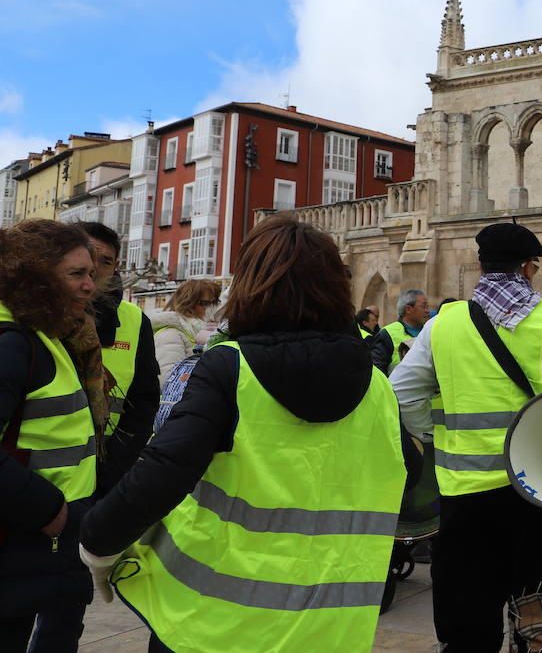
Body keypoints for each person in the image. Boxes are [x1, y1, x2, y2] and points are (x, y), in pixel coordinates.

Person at [79, 216, 418, 652]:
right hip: (331, 626)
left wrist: (98, 545)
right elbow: (406, 474)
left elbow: (162, 472)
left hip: (216, 621)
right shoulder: (376, 385)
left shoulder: (230, 367)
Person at [390, 223, 542, 652]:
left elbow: (401, 392)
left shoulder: (445, 323)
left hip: (466, 500)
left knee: (468, 623)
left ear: (481, 266)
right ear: (530, 268)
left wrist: (433, 429)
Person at [0, 220, 99, 651]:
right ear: (35, 276)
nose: (90, 286)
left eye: (91, 273)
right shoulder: (13, 344)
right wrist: (50, 508)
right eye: (76, 273)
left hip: (39, 544)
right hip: (22, 537)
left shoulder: (44, 336)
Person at [75, 223, 159, 498]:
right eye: (89, 256)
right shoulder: (41, 312)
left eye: (106, 261)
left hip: (104, 473)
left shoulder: (135, 320)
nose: (96, 269)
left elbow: (143, 404)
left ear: (116, 266)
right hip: (40, 469)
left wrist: (112, 473)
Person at [149, 279, 221, 380]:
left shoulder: (203, 332)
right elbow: (167, 379)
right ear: (188, 303)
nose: (211, 307)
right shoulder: (170, 334)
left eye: (215, 302)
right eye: (205, 303)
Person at [371, 289, 430, 374]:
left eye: (428, 307)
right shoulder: (388, 333)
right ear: (408, 309)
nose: (427, 311)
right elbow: (377, 371)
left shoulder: (429, 331)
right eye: (424, 306)